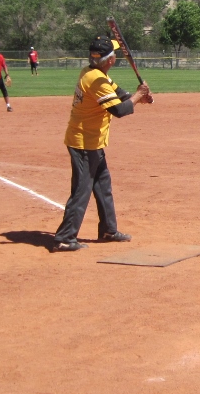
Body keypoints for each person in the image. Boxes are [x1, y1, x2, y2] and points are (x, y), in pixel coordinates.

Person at [52, 35, 151, 252]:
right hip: (84, 143)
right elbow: (119, 110)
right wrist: (138, 96)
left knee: (102, 184)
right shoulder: (95, 81)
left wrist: (139, 96)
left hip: (92, 142)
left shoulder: (95, 74)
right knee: (82, 190)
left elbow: (119, 94)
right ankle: (65, 238)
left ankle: (108, 229)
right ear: (111, 60)